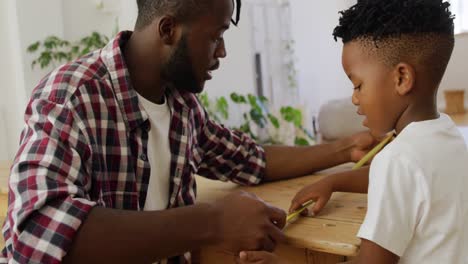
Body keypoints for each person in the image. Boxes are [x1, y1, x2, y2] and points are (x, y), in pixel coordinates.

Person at [1, 0, 375, 263]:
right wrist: (212, 222)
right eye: (216, 35)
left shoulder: (181, 106)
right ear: (168, 29)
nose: (223, 51)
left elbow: (251, 159)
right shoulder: (72, 95)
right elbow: (36, 232)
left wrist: (344, 149)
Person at [240, 0, 468, 263]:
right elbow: (409, 181)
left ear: (402, 78)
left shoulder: (396, 160)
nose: (355, 99)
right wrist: (334, 182)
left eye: (358, 85)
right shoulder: (449, 134)